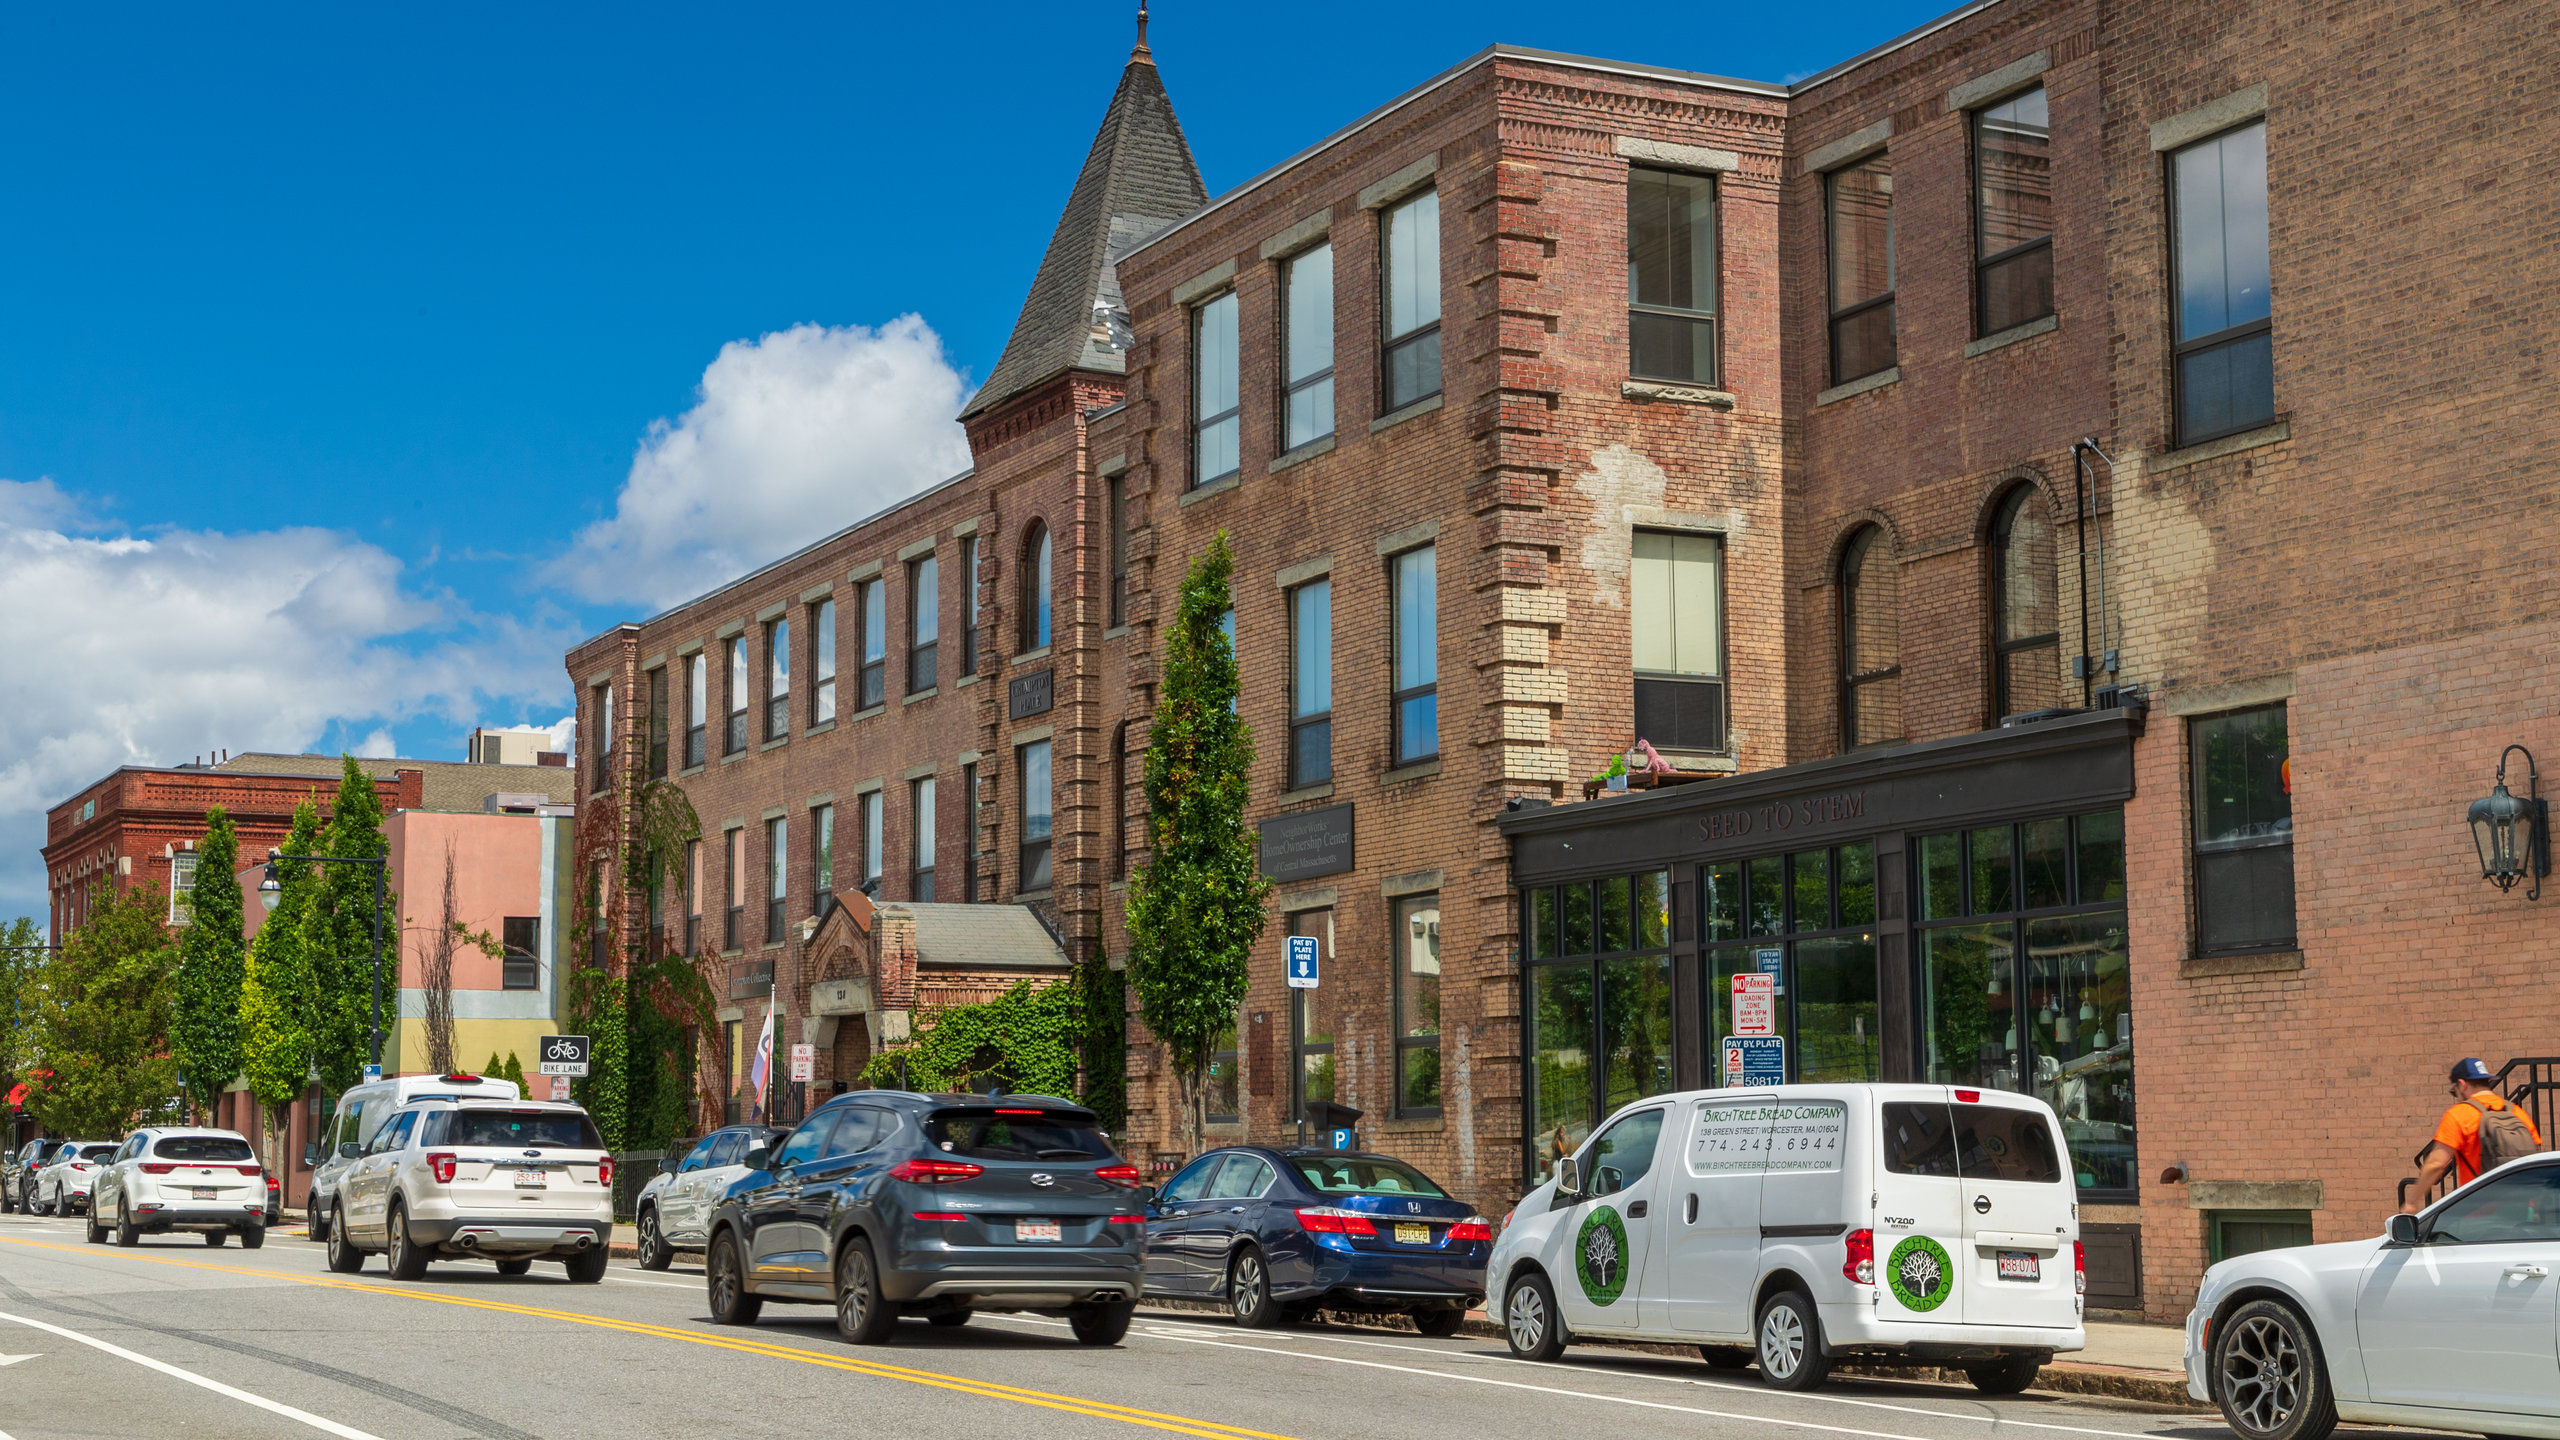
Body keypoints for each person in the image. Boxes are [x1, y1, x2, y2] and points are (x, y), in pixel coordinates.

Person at [2403, 1057, 2544, 1212]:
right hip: (2524, 1210)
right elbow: (2535, 1153)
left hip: (2480, 1213)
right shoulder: (2517, 1112)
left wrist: (2411, 1202)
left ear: (2462, 1085)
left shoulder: (2459, 1114)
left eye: (2454, 1092)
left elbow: (2436, 1165)